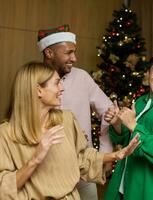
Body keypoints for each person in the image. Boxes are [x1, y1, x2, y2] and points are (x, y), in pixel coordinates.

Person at [0, 62, 140, 199]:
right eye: (56, 83)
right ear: (38, 90)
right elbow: (3, 187)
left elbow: (81, 159)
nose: (62, 88)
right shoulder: (6, 134)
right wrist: (36, 159)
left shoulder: (66, 120)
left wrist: (116, 155)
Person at [37, 24, 113, 199]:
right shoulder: (32, 80)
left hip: (83, 170)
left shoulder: (82, 77)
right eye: (68, 52)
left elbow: (109, 111)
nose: (74, 58)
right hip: (46, 170)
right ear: (49, 53)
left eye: (74, 52)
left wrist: (103, 153)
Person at [103, 54, 153, 200]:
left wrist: (133, 124)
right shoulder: (141, 101)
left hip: (152, 189)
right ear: (148, 74)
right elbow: (125, 139)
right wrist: (117, 123)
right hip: (127, 182)